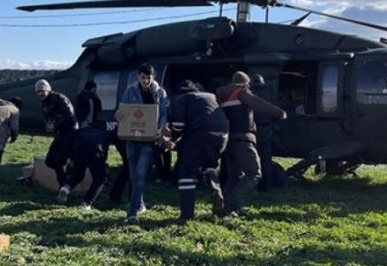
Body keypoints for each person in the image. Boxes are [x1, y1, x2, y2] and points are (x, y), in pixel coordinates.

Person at [215, 71, 286, 217]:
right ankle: (233, 203)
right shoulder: (241, 92)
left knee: (234, 176)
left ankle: (225, 206)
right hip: (243, 139)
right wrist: (280, 113)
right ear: (245, 82)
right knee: (254, 174)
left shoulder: (221, 95)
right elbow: (258, 104)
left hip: (228, 140)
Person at [116, 63, 168, 224]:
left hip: (149, 140)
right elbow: (122, 110)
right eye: (143, 77)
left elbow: (164, 114)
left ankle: (131, 214)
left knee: (140, 173)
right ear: (138, 77)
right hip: (132, 139)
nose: (146, 80)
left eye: (149, 77)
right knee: (133, 175)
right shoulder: (130, 91)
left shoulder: (160, 93)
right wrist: (119, 115)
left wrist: (160, 129)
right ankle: (139, 204)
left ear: (154, 77)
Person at [169, 80, 229, 221]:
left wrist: (172, 139)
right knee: (210, 164)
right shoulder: (210, 96)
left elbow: (178, 126)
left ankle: (186, 215)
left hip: (201, 134)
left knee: (187, 172)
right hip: (223, 134)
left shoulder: (181, 99)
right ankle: (216, 189)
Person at [57, 121, 118, 209]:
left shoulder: (82, 130)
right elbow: (105, 150)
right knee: (99, 179)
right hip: (96, 151)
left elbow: (70, 143)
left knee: (77, 174)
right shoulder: (105, 133)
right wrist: (102, 163)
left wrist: (71, 158)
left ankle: (66, 187)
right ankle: (86, 203)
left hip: (79, 150)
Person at [35, 79, 77, 188]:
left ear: (48, 90)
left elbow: (69, 114)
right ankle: (68, 177)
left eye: (42, 91)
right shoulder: (44, 103)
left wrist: (56, 124)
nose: (40, 94)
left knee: (59, 162)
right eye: (37, 92)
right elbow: (48, 118)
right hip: (60, 133)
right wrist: (49, 126)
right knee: (49, 161)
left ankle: (64, 187)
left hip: (70, 132)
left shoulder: (59, 98)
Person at [250, 74, 277, 191]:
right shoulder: (269, 97)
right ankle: (267, 184)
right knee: (266, 160)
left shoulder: (249, 97)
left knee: (252, 160)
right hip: (266, 130)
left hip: (252, 130)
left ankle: (254, 185)